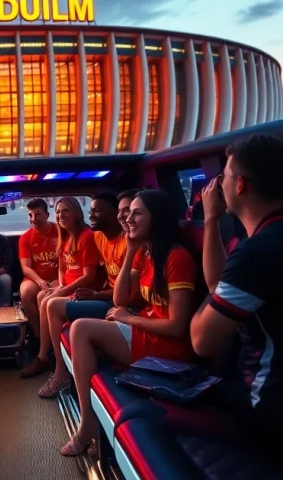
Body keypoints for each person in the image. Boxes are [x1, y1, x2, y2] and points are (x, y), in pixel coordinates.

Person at [192, 134, 283, 466]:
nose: (218, 185)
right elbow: (218, 283)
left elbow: (201, 342)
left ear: (240, 184)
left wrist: (199, 306)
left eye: (224, 176)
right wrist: (211, 219)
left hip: (266, 413)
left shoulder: (259, 253)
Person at [61, 190, 199, 456]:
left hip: (168, 346)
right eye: (128, 212)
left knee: (81, 328)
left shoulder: (177, 257)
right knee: (81, 332)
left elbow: (177, 326)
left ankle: (87, 424)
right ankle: (92, 422)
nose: (128, 219)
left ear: (156, 219)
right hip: (145, 329)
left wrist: (128, 318)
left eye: (137, 213)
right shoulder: (144, 251)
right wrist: (131, 250)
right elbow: (120, 297)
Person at [39, 190, 137, 390]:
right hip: (105, 296)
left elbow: (108, 287)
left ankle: (59, 371)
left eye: (97, 211)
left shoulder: (126, 244)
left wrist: (94, 293)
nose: (91, 215)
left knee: (53, 304)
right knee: (47, 298)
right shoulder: (99, 237)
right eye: (91, 210)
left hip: (116, 303)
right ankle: (46, 355)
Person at [20, 196, 103, 390]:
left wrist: (62, 290)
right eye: (58, 212)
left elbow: (88, 277)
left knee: (48, 301)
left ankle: (58, 368)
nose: (61, 215)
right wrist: (60, 286)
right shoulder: (65, 237)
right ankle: (43, 352)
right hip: (69, 285)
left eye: (65, 211)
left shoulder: (86, 236)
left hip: (84, 289)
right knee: (42, 297)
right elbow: (63, 268)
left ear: (76, 212)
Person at [17, 198, 59, 338]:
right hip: (35, 277)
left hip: (58, 276)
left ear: (47, 215)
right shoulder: (25, 238)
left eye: (37, 214)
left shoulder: (60, 231)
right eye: (30, 215)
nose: (33, 219)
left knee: (47, 294)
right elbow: (26, 267)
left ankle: (52, 334)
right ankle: (38, 334)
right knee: (25, 292)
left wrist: (56, 280)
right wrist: (40, 281)